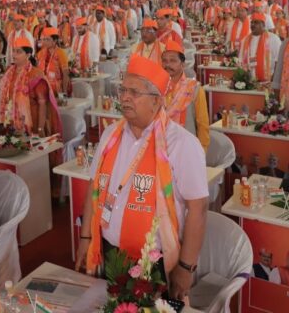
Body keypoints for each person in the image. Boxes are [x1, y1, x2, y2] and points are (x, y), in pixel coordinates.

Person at [75, 54, 208, 301]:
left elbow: (198, 209)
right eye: (123, 89)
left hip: (156, 261)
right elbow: (94, 187)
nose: (124, 97)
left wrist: (186, 267)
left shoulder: (181, 145)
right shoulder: (110, 136)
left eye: (134, 93)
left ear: (156, 101)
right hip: (110, 251)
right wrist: (86, 238)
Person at [0, 38, 62, 136]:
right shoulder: (9, 73)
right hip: (11, 122)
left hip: (32, 123)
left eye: (18, 52)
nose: (14, 55)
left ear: (28, 55)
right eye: (13, 51)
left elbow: (43, 104)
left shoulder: (35, 74)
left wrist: (40, 128)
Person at [162, 39, 209, 151]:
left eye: (173, 60)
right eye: (164, 61)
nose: (167, 65)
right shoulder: (155, 88)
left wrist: (202, 152)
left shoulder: (195, 89)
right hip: (161, 148)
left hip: (186, 150)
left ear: (182, 64)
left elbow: (203, 125)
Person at [238, 13, 281, 83]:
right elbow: (241, 60)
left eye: (256, 22)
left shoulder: (274, 39)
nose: (253, 25)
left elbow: (278, 61)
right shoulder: (245, 40)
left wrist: (274, 79)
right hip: (249, 81)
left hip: (267, 82)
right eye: (251, 22)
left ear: (263, 25)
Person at [37, 27, 70, 95]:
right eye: (44, 39)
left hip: (56, 90)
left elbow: (65, 74)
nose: (44, 42)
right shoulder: (40, 53)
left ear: (54, 41)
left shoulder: (61, 53)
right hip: (42, 89)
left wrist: (64, 92)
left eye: (47, 39)